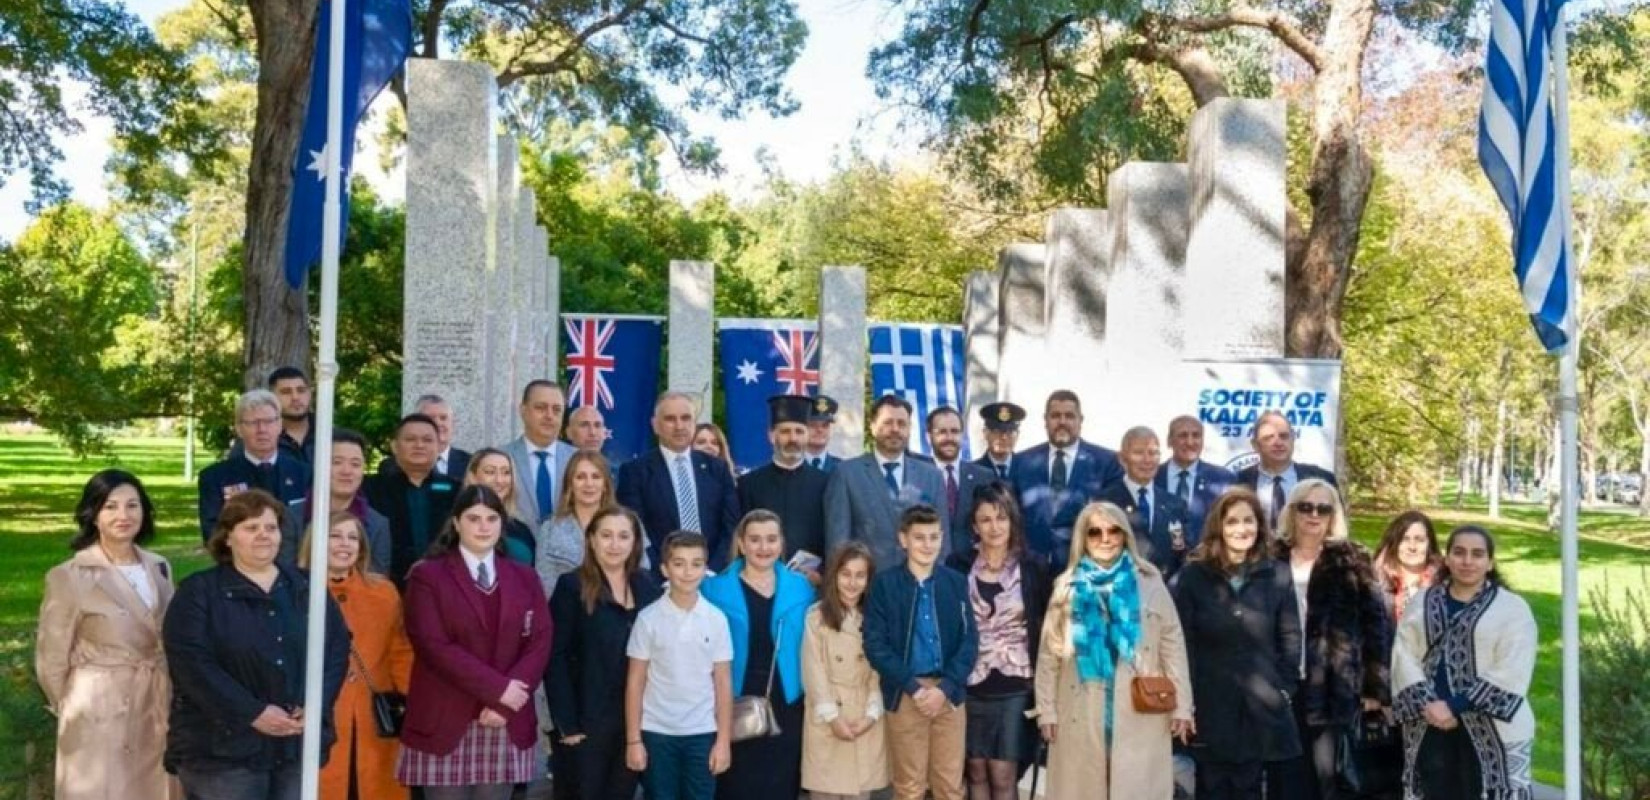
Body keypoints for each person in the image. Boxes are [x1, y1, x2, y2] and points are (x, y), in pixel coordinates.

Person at [164, 490, 349, 800]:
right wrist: (253, 712)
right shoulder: (199, 593)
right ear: (227, 537)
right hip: (222, 750)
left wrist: (314, 704)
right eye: (251, 528)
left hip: (294, 745)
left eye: (271, 527)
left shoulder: (307, 588)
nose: (263, 535)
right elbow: (191, 665)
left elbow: (336, 650)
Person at [398, 485, 553, 799]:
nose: (484, 527)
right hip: (446, 717)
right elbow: (433, 645)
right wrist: (499, 690)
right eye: (473, 518)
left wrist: (504, 702)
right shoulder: (427, 576)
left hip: (504, 718)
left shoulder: (525, 577)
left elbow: (540, 641)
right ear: (456, 523)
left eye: (492, 518)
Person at [1034, 501, 1192, 800]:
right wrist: (1047, 712)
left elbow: (1173, 646)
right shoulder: (1066, 587)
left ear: (1125, 535)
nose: (1105, 539)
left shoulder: (1150, 582)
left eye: (1114, 531)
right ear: (1083, 538)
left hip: (1139, 708)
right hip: (1080, 708)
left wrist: (1183, 706)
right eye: (1095, 532)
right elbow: (1049, 655)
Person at [35, 470, 178, 800]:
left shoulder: (159, 566)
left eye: (132, 505)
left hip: (154, 701)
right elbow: (51, 657)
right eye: (110, 506)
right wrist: (73, 705)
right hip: (98, 711)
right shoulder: (69, 575)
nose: (123, 515)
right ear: (93, 514)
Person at [1171, 489, 1302, 800]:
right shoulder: (1193, 576)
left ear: (1259, 525)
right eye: (1232, 521)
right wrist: (1186, 700)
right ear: (1218, 526)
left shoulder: (1277, 574)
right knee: (1211, 787)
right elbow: (1183, 642)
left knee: (1249, 788)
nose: (1241, 529)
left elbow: (1290, 637)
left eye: (1248, 520)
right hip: (1210, 707)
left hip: (1259, 707)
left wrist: (1283, 690)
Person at [1392, 526, 1536, 800]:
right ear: (1447, 559)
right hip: (1429, 723)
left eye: (1477, 554)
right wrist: (1430, 704)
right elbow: (1403, 655)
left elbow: (1512, 668)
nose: (1467, 561)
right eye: (1459, 552)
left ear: (1490, 563)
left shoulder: (1513, 609)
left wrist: (1455, 705)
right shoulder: (1422, 602)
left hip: (1493, 728)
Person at [1271, 478, 1390, 800]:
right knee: (1285, 778)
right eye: (1306, 507)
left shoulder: (1352, 558)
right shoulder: (1270, 556)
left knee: (1328, 775)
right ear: (1292, 511)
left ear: (1333, 515)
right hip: (1281, 681)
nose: (1314, 515)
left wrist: (1374, 688)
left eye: (1323, 508)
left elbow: (1375, 624)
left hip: (1333, 685)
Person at [942, 484, 1051, 800]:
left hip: (1015, 685)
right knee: (975, 770)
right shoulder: (957, 565)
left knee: (1003, 774)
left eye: (1001, 518)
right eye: (985, 519)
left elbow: (1046, 626)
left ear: (1012, 521)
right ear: (974, 526)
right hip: (969, 682)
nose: (994, 527)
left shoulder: (1033, 566)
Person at [863, 505, 978, 800]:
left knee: (949, 786)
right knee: (909, 786)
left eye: (934, 537)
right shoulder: (885, 584)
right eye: (919, 537)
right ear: (903, 540)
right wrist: (913, 687)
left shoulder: (955, 582)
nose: (928, 545)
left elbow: (970, 641)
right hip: (906, 692)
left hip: (948, 694)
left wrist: (946, 687)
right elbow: (875, 645)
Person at [547, 507, 662, 800]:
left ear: (635, 542)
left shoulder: (648, 586)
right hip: (585, 722)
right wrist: (567, 723)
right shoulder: (571, 586)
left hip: (634, 721)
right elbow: (555, 656)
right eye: (606, 535)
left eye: (623, 536)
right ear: (592, 540)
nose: (615, 544)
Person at [700, 510, 815, 798]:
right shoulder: (712, 590)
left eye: (771, 539)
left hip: (787, 699)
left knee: (781, 783)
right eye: (755, 539)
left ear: (781, 543)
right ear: (741, 543)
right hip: (733, 697)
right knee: (736, 783)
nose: (764, 547)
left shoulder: (802, 588)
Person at [299, 511, 414, 800]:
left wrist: (411, 700)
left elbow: (400, 652)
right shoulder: (294, 592)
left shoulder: (383, 592)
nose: (345, 544)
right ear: (315, 541)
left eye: (353, 538)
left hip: (373, 719)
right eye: (335, 535)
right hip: (317, 719)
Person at [624, 531, 735, 800]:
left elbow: (723, 682)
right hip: (657, 732)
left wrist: (723, 741)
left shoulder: (716, 619)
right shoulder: (648, 619)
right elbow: (635, 682)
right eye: (679, 563)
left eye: (696, 564)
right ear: (665, 569)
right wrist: (634, 740)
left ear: (705, 569)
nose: (688, 572)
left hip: (702, 732)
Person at [800, 542, 888, 799]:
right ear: (834, 576)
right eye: (845, 574)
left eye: (860, 575)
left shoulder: (876, 618)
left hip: (862, 716)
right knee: (825, 792)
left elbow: (879, 669)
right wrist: (833, 717)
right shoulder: (816, 617)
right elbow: (813, 670)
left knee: (859, 792)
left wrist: (871, 715)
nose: (852, 583)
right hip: (828, 716)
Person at [617, 392, 742, 570]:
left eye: (686, 418)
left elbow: (731, 526)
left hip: (713, 575)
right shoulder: (635, 472)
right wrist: (666, 571)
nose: (679, 426)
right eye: (670, 419)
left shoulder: (717, 469)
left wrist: (711, 570)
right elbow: (634, 530)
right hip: (660, 576)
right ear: (655, 425)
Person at [824, 394, 950, 569]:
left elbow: (943, 541)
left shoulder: (931, 476)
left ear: (910, 428)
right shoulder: (846, 474)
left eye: (902, 423)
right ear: (872, 426)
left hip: (919, 579)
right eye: (888, 423)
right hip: (868, 580)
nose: (895, 429)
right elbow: (838, 542)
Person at [1009, 390, 1123, 570]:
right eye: (1055, 416)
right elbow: (1011, 516)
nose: (1062, 422)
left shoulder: (1106, 462)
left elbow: (1113, 519)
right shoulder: (1022, 462)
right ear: (1045, 420)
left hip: (1084, 569)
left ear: (1080, 420)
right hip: (1031, 569)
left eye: (1069, 416)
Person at [198, 389, 312, 541]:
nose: (262, 430)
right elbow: (212, 533)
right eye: (253, 423)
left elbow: (311, 528)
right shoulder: (215, 478)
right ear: (239, 429)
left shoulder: (304, 473)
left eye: (269, 421)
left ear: (280, 425)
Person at [737, 395, 829, 575]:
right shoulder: (748, 484)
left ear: (807, 436)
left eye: (799, 431)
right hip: (759, 579)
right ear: (772, 436)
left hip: (811, 582)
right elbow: (739, 537)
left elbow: (833, 536)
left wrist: (821, 574)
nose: (793, 438)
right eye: (785, 431)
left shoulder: (826, 483)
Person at [364, 413, 460, 585]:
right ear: (394, 446)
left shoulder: (457, 490)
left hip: (444, 582)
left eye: (427, 440)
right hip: (383, 583)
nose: (419, 445)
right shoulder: (371, 488)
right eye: (410, 439)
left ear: (439, 447)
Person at [284, 428, 392, 573]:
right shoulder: (291, 517)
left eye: (355, 464)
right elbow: (284, 574)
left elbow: (377, 579)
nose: (346, 471)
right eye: (337, 462)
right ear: (319, 465)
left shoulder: (378, 525)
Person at [538, 450, 630, 598]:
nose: (589, 484)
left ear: (606, 484)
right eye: (580, 477)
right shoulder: (549, 529)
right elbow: (544, 585)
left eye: (596, 477)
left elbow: (639, 574)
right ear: (570, 484)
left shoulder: (628, 524)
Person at [1234, 411, 1338, 528]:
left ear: (1293, 440)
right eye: (1268, 438)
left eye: (1284, 436)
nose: (1278, 443)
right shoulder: (1239, 481)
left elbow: (1336, 523)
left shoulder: (1322, 479)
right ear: (1255, 445)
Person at [504, 381, 579, 524]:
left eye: (556, 410)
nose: (549, 416)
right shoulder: (502, 457)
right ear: (523, 411)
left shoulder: (578, 459)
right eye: (541, 408)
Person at [926, 406, 997, 555]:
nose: (949, 438)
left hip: (972, 562)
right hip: (929, 560)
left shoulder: (984, 476)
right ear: (928, 437)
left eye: (955, 431)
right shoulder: (917, 476)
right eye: (942, 432)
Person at [1154, 415, 1238, 537]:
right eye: (1183, 436)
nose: (1190, 442)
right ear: (1169, 441)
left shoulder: (1223, 479)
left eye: (1196, 436)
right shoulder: (1152, 476)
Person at [462, 447, 537, 566]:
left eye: (506, 472)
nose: (499, 480)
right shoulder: (458, 526)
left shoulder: (522, 530)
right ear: (473, 477)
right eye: (490, 472)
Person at [377, 394, 473, 478]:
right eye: (430, 418)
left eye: (443, 418)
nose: (438, 423)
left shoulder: (471, 463)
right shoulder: (393, 466)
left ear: (452, 424)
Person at [1372, 510, 1443, 623]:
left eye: (1419, 540)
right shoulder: (1374, 582)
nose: (1412, 547)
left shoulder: (1444, 583)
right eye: (1405, 539)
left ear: (1430, 544)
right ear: (1394, 543)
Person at [268, 366, 316, 464]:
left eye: (301, 390)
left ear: (309, 394)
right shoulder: (259, 438)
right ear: (272, 398)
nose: (295, 397)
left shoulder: (330, 435)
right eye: (286, 392)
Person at [974, 402, 1024, 480]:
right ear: (985, 433)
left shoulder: (1028, 470)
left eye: (1010, 432)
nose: (1004, 437)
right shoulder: (973, 471)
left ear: (1017, 435)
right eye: (997, 431)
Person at [803, 395, 842, 472]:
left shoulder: (842, 468)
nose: (820, 430)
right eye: (813, 425)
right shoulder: (791, 466)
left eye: (825, 426)